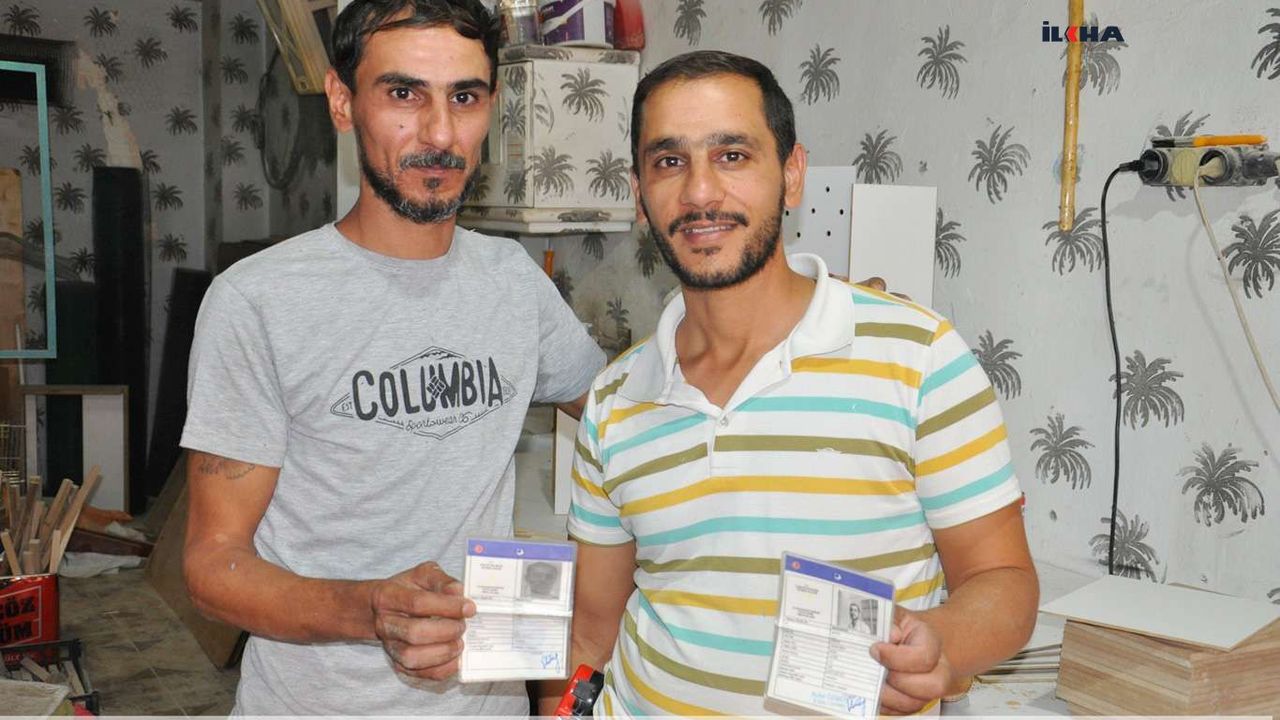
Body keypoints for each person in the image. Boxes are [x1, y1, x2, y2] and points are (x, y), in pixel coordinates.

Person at [550, 50, 1039, 717]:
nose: (699, 193)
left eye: (732, 155)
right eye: (669, 161)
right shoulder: (615, 399)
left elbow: (1003, 581)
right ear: (639, 195)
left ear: (792, 174)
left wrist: (942, 644)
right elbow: (591, 634)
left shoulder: (919, 359)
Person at [179, 0, 604, 715]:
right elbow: (211, 566)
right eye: (404, 94)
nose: (439, 133)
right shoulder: (258, 300)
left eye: (464, 98)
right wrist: (368, 609)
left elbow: (623, 416)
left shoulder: (513, 281)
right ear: (342, 102)